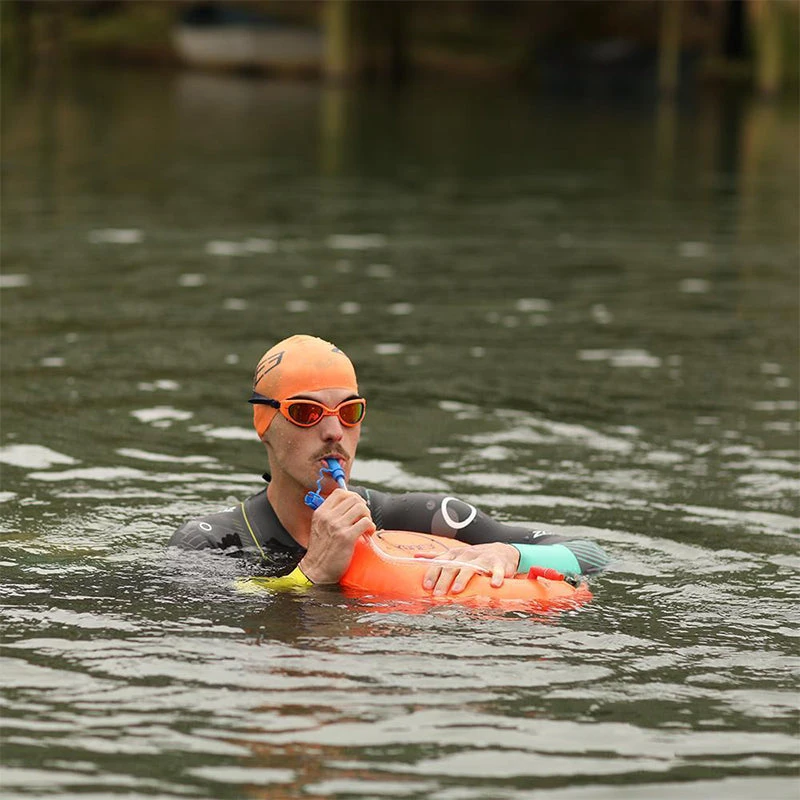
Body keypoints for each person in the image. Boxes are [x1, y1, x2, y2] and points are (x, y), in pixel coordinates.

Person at [169, 334, 609, 595]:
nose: (334, 432)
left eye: (349, 412)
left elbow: (592, 554)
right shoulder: (212, 542)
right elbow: (195, 624)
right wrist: (311, 575)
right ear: (264, 423)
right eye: (306, 413)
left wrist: (509, 552)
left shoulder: (412, 516)